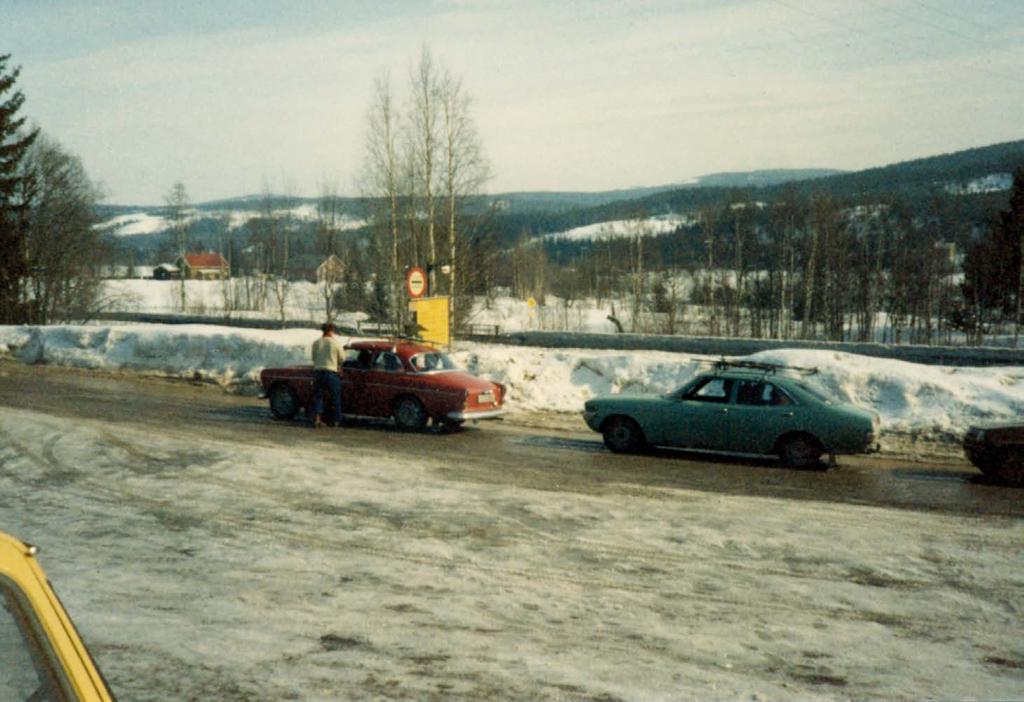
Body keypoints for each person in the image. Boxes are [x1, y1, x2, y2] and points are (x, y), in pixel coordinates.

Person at [311, 322, 344, 428]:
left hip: (318, 371)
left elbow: (314, 357)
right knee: (335, 396)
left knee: (318, 396)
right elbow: (342, 358)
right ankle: (336, 420)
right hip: (331, 372)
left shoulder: (316, 343)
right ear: (331, 331)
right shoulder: (335, 343)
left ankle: (317, 419)